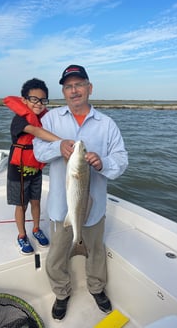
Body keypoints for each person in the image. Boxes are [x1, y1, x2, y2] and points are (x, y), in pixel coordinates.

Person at [33, 65, 128, 320]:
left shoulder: (107, 124)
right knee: (56, 255)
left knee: (95, 252)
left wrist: (103, 163)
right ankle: (61, 293)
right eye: (68, 86)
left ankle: (97, 288)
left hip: (94, 209)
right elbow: (37, 152)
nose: (74, 90)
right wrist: (58, 146)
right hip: (59, 208)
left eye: (79, 84)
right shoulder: (50, 119)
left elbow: (121, 160)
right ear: (63, 91)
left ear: (89, 88)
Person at [4, 78, 60, 255]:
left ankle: (36, 229)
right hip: (18, 170)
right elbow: (37, 131)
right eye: (34, 99)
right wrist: (63, 142)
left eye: (43, 100)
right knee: (21, 205)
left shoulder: (44, 118)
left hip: (36, 169)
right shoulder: (19, 121)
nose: (39, 104)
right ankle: (22, 235)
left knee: (36, 202)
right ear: (24, 100)